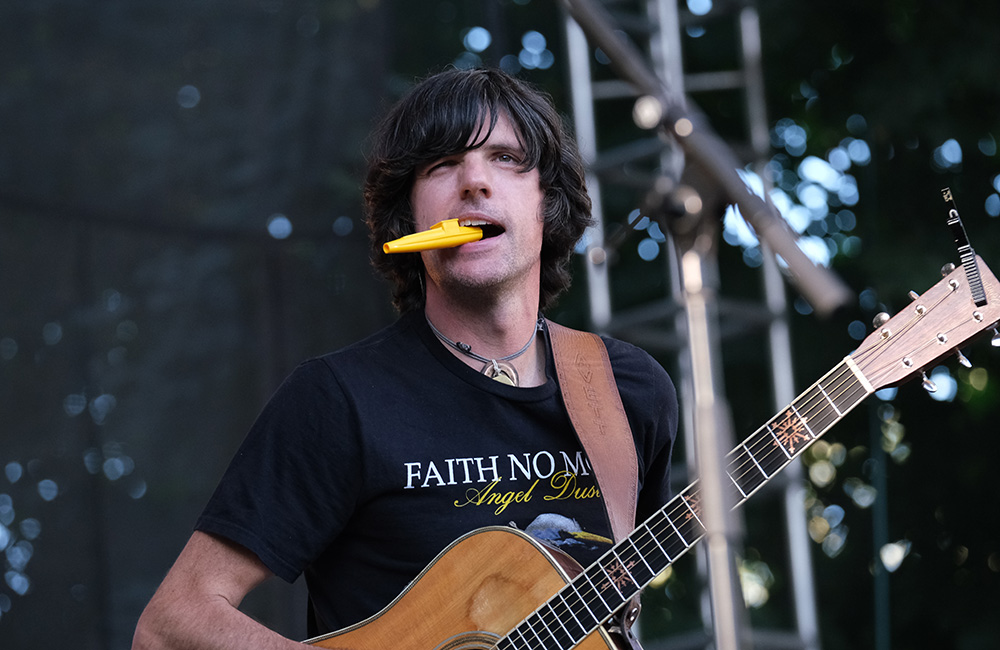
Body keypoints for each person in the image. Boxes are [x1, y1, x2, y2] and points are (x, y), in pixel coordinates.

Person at [132, 67, 678, 650]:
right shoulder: (339, 399)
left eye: (506, 158)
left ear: (548, 203)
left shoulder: (628, 391)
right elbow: (171, 625)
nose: (474, 182)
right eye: (442, 164)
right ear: (410, 219)